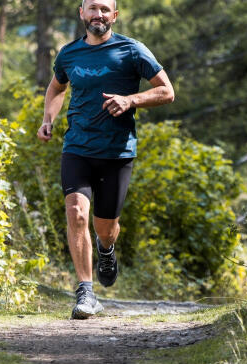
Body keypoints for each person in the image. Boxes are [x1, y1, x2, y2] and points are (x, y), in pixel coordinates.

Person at [37, 0, 175, 319]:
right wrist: (48, 119)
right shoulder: (68, 53)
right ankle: (86, 292)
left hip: (117, 151)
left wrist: (130, 99)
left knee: (105, 227)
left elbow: (166, 92)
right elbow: (57, 87)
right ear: (81, 13)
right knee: (76, 212)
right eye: (92, 8)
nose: (98, 15)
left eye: (104, 9)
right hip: (77, 147)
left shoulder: (133, 51)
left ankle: (106, 249)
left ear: (114, 15)